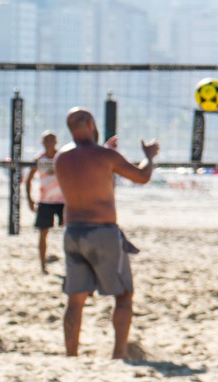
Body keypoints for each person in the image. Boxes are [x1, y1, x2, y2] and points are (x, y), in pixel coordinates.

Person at [52, 108, 157, 359]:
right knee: (123, 295)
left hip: (73, 232)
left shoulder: (61, 157)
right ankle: (119, 353)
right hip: (102, 232)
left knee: (75, 299)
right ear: (90, 123)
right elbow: (142, 176)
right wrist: (149, 156)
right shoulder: (104, 155)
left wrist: (108, 153)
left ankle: (71, 355)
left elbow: (90, 172)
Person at [25, 130, 66, 273]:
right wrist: (30, 199)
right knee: (43, 233)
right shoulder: (39, 159)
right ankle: (43, 266)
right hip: (45, 201)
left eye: (52, 140)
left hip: (63, 201)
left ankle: (70, 264)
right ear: (42, 143)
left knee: (69, 233)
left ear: (56, 142)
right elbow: (28, 179)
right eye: (46, 140)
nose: (49, 143)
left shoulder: (63, 157)